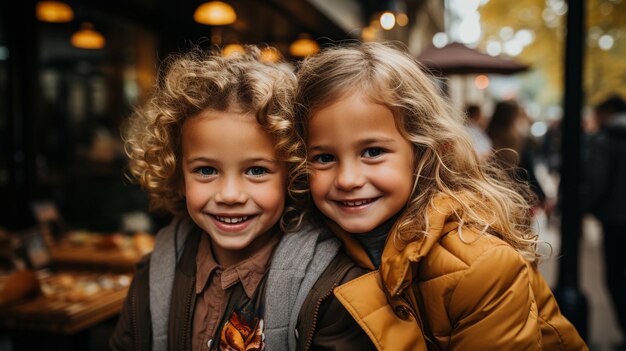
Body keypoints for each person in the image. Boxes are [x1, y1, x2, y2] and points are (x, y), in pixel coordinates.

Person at [292, 42, 587, 350]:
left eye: (373, 152)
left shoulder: (482, 267)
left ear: (424, 153)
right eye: (324, 158)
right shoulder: (313, 240)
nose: (347, 179)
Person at [110, 47, 374, 350]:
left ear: (292, 174)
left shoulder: (331, 291)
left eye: (257, 171)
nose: (230, 195)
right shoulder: (152, 276)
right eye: (206, 170)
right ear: (178, 176)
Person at [583, 95, 626, 350]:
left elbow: (597, 180)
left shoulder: (607, 138)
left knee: (615, 277)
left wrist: (586, 207)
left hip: (616, 220)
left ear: (607, 112)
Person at [486, 99, 548, 213]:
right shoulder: (519, 141)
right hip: (517, 199)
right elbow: (529, 173)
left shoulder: (487, 136)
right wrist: (542, 197)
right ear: (513, 118)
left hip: (494, 198)